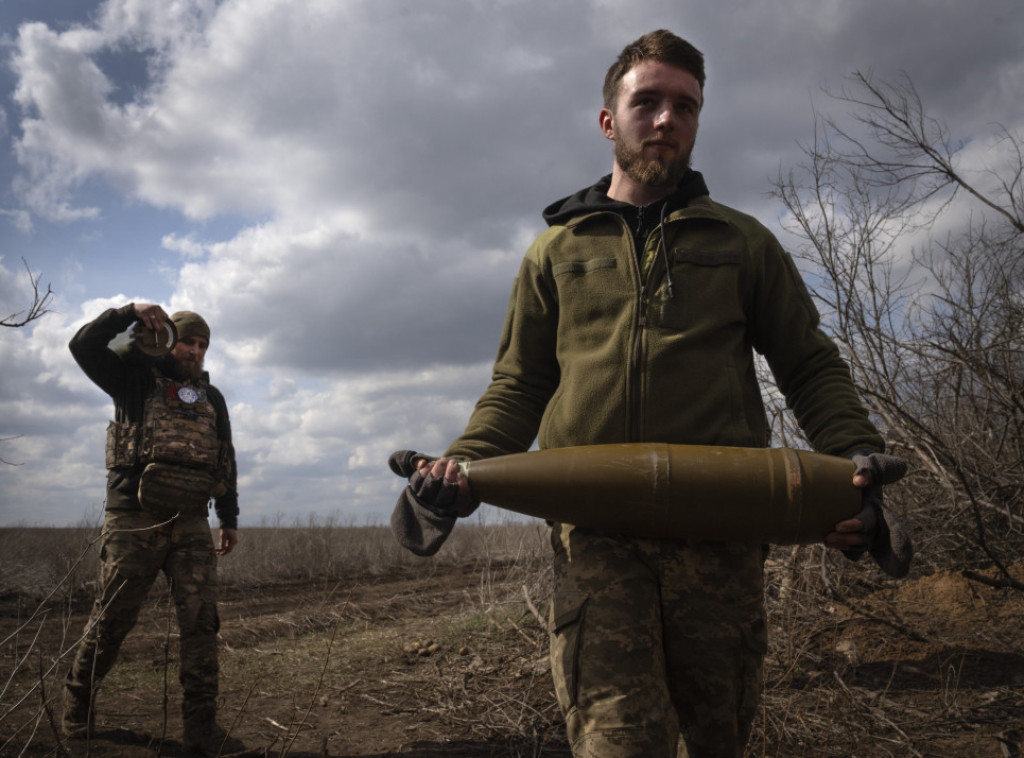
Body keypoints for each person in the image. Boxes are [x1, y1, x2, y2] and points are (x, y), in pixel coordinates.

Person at [389, 29, 910, 758]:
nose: (667, 119)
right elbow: (519, 384)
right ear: (610, 120)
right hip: (596, 539)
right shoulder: (555, 253)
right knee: (615, 743)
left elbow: (808, 364)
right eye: (648, 101)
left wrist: (854, 457)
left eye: (685, 106)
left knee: (716, 740)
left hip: (721, 534)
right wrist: (461, 467)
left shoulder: (744, 243)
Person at [63, 302, 241, 757]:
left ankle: (201, 730)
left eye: (202, 345)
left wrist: (229, 517)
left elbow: (225, 457)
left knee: (201, 623)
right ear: (169, 338)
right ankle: (77, 706)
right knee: (113, 619)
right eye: (188, 341)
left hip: (191, 521)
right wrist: (128, 313)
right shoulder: (133, 375)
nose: (195, 351)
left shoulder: (211, 396)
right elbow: (81, 345)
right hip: (133, 517)